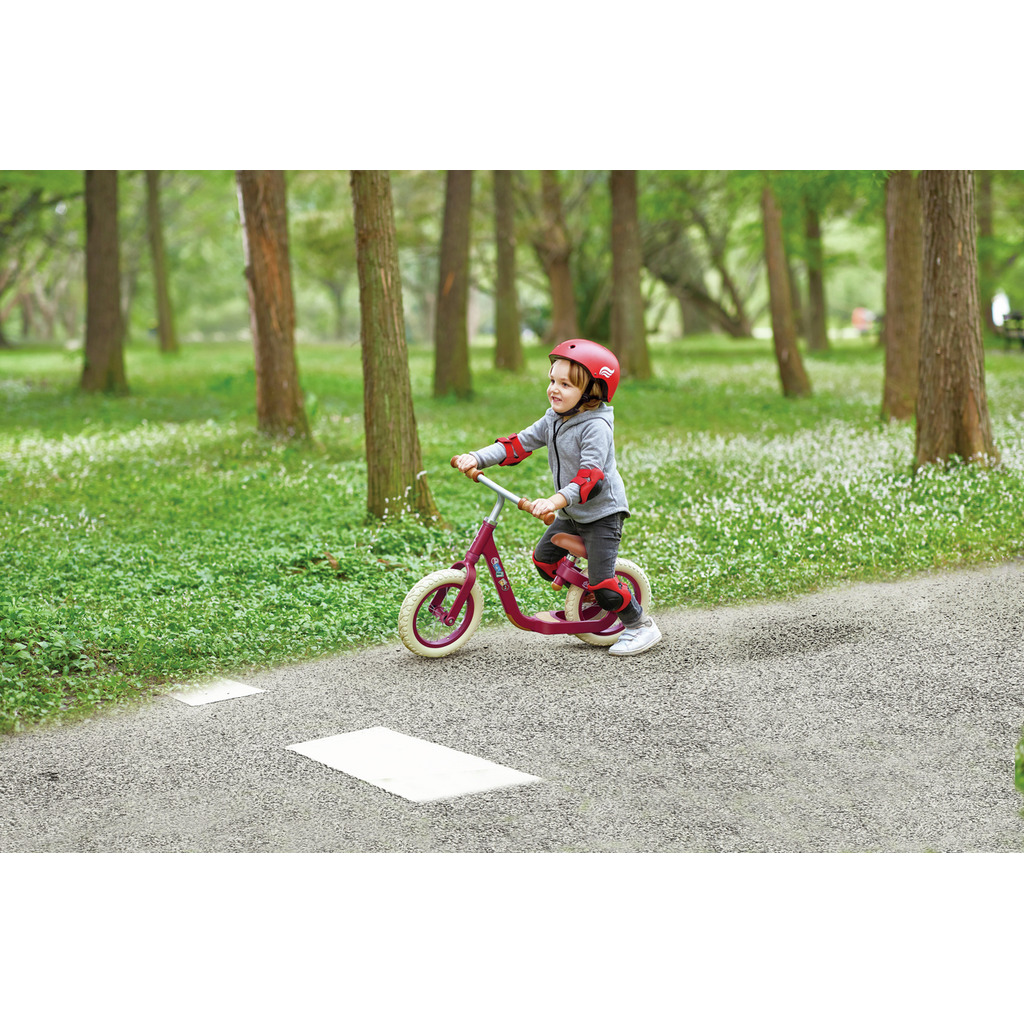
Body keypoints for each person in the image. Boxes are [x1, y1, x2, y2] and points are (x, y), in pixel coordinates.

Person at [452, 339, 662, 656]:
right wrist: (476, 458)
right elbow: (517, 444)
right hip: (572, 513)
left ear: (592, 391)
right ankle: (591, 594)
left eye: (565, 384)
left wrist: (554, 502)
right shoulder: (553, 417)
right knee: (543, 560)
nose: (554, 389)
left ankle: (638, 625)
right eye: (552, 380)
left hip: (601, 515)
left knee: (603, 583)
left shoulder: (596, 427)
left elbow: (590, 478)